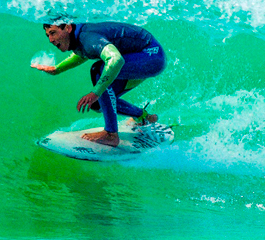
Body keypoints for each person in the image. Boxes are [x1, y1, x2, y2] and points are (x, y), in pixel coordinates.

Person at [33, 19, 166, 147]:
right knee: (98, 103)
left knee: (98, 70)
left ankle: (111, 134)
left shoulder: (87, 37)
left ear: (67, 27)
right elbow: (84, 52)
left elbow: (115, 59)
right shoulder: (78, 37)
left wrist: (95, 92)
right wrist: (57, 69)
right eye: (48, 35)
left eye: (53, 33)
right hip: (137, 58)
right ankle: (144, 117)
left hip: (151, 55)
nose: (50, 40)